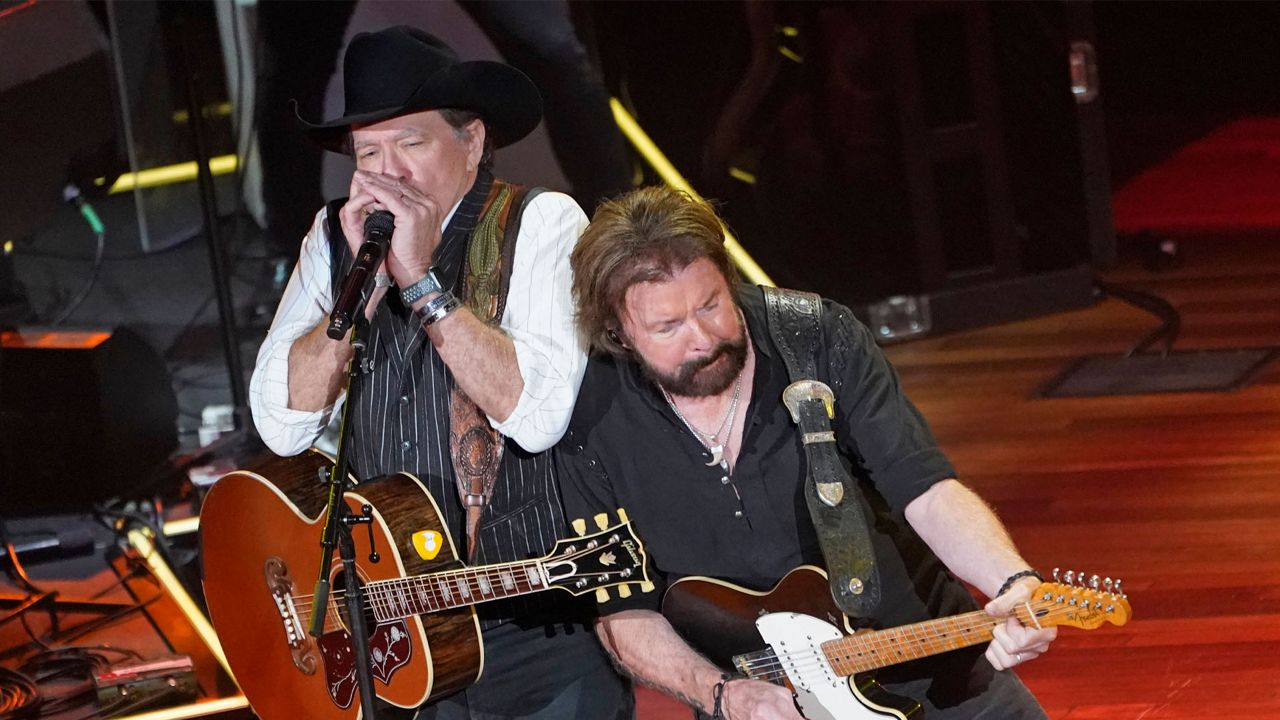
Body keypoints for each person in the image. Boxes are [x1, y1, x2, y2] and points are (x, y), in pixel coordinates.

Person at [556, 186, 1056, 719]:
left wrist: (1011, 580)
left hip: (927, 661)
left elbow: (925, 487)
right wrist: (722, 694)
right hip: (759, 701)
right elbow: (621, 610)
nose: (703, 338)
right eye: (667, 327)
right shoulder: (590, 416)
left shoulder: (815, 336)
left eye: (711, 304)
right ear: (619, 332)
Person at [247, 26, 630, 720]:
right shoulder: (333, 239)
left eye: (411, 143)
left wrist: (422, 282)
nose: (388, 172)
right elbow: (283, 422)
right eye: (369, 151)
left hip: (530, 626)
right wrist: (354, 296)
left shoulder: (541, 222)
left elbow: (537, 417)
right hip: (392, 626)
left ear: (473, 142)